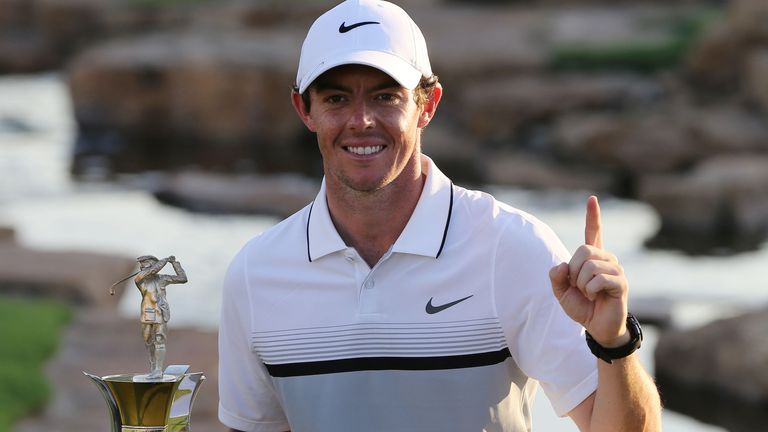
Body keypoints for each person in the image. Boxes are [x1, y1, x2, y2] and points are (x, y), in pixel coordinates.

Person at [218, 0, 662, 430]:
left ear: (427, 105)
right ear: (304, 109)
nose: (361, 120)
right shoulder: (255, 275)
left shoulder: (513, 247)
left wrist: (615, 343)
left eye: (386, 96)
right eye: (336, 98)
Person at [134, 254, 187, 379]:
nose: (142, 266)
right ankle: (153, 367)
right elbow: (153, 270)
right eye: (141, 265)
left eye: (145, 264)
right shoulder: (139, 278)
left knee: (159, 340)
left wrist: (175, 263)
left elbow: (183, 278)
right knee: (148, 341)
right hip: (147, 313)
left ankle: (158, 370)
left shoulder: (162, 279)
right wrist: (164, 260)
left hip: (160, 312)